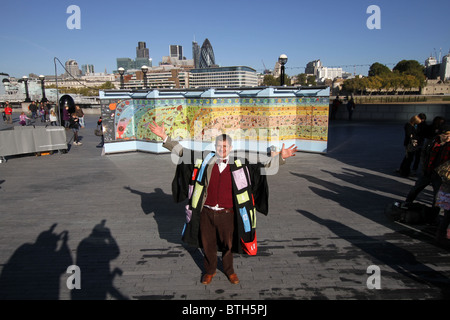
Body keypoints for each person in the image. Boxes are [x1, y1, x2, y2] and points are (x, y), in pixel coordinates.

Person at [149, 121, 298, 285]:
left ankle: (229, 271)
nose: (222, 149)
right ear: (215, 146)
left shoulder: (241, 162)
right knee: (208, 244)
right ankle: (210, 270)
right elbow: (183, 152)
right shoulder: (205, 159)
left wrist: (282, 157)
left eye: (226, 146)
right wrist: (164, 136)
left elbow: (264, 165)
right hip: (206, 211)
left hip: (228, 213)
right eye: (220, 146)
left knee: (228, 244)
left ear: (231, 148)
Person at [401, 124, 450, 210]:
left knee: (437, 196)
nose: (448, 138)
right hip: (427, 171)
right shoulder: (432, 141)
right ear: (440, 135)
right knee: (415, 189)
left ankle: (433, 215)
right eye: (446, 136)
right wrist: (423, 167)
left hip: (440, 175)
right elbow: (423, 154)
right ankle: (407, 203)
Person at [435, 160, 450, 247]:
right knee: (447, 217)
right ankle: (443, 237)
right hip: (447, 194)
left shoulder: (446, 164)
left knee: (446, 217)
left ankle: (440, 236)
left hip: (445, 194)